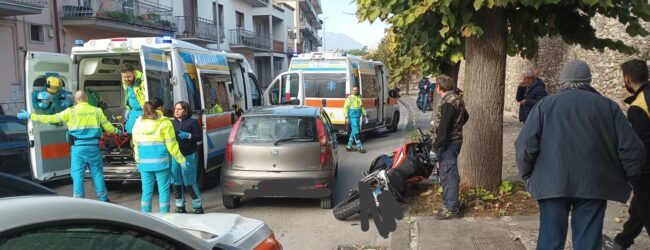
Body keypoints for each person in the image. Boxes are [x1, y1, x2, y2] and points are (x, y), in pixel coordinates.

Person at [515, 60, 644, 250]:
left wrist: (527, 175)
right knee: (588, 242)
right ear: (589, 80)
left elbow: (525, 145)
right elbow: (633, 148)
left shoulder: (545, 105)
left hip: (552, 182)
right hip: (594, 183)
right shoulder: (608, 107)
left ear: (563, 80)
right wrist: (628, 177)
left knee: (550, 241)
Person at [17, 91, 121, 202]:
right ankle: (103, 198)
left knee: (78, 175)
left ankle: (79, 200)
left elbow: (51, 119)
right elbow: (109, 128)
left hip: (78, 149)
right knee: (97, 173)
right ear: (87, 99)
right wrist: (118, 131)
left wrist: (30, 116)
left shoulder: (70, 112)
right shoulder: (97, 111)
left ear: (76, 100)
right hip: (93, 148)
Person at [610, 59, 650, 250]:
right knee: (639, 207)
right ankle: (622, 241)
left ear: (627, 79)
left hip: (647, 170)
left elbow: (639, 145)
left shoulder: (639, 106)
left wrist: (631, 172)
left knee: (646, 208)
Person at [131, 101, 188, 213]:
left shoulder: (138, 123)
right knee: (164, 191)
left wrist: (138, 161)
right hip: (162, 163)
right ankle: (164, 216)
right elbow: (171, 144)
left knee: (146, 191)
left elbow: (136, 144)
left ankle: (145, 216)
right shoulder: (165, 122)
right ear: (159, 108)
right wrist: (181, 159)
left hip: (145, 164)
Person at [431, 75, 469, 220]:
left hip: (448, 144)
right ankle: (448, 205)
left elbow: (444, 128)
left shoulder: (448, 102)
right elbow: (465, 117)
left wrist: (435, 147)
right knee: (447, 174)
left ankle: (452, 209)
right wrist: (457, 128)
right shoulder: (457, 99)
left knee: (449, 175)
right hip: (455, 141)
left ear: (438, 88)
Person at [171, 101, 204, 214]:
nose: (176, 111)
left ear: (185, 110)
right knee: (176, 181)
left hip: (189, 155)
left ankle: (197, 205)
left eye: (179, 109)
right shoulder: (171, 123)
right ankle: (180, 205)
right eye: (175, 108)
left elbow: (199, 136)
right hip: (175, 156)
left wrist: (188, 136)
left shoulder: (192, 122)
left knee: (190, 181)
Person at [121, 63, 146, 134]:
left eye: (129, 77)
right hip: (133, 110)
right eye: (124, 77)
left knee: (140, 132)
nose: (126, 79)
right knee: (129, 132)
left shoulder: (142, 80)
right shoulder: (125, 80)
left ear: (134, 73)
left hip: (143, 110)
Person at [343, 86, 367, 153]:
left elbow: (361, 107)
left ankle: (349, 146)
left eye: (356, 90)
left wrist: (364, 114)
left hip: (358, 117)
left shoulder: (359, 97)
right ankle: (360, 147)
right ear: (352, 91)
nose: (355, 91)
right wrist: (346, 117)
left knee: (354, 131)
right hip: (352, 118)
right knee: (356, 132)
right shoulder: (349, 98)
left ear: (358, 90)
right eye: (353, 90)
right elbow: (345, 108)